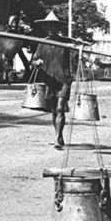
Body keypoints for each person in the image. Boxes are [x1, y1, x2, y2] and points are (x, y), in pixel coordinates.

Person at [29, 11, 73, 150]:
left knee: (60, 108)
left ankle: (56, 139)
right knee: (54, 110)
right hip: (49, 80)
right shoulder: (42, 44)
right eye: (48, 26)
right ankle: (58, 134)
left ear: (57, 28)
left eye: (53, 26)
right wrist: (37, 63)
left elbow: (76, 54)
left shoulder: (65, 43)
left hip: (64, 79)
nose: (50, 29)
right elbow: (33, 60)